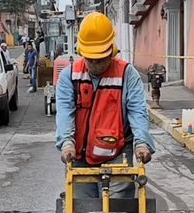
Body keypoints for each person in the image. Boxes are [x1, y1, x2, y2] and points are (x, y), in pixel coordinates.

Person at [55, 11, 155, 197]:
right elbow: (64, 113)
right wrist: (67, 144)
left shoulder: (127, 74)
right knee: (81, 210)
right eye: (90, 59)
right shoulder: (69, 76)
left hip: (117, 153)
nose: (95, 64)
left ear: (111, 50)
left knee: (119, 212)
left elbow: (137, 111)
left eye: (100, 59)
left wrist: (142, 144)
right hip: (79, 156)